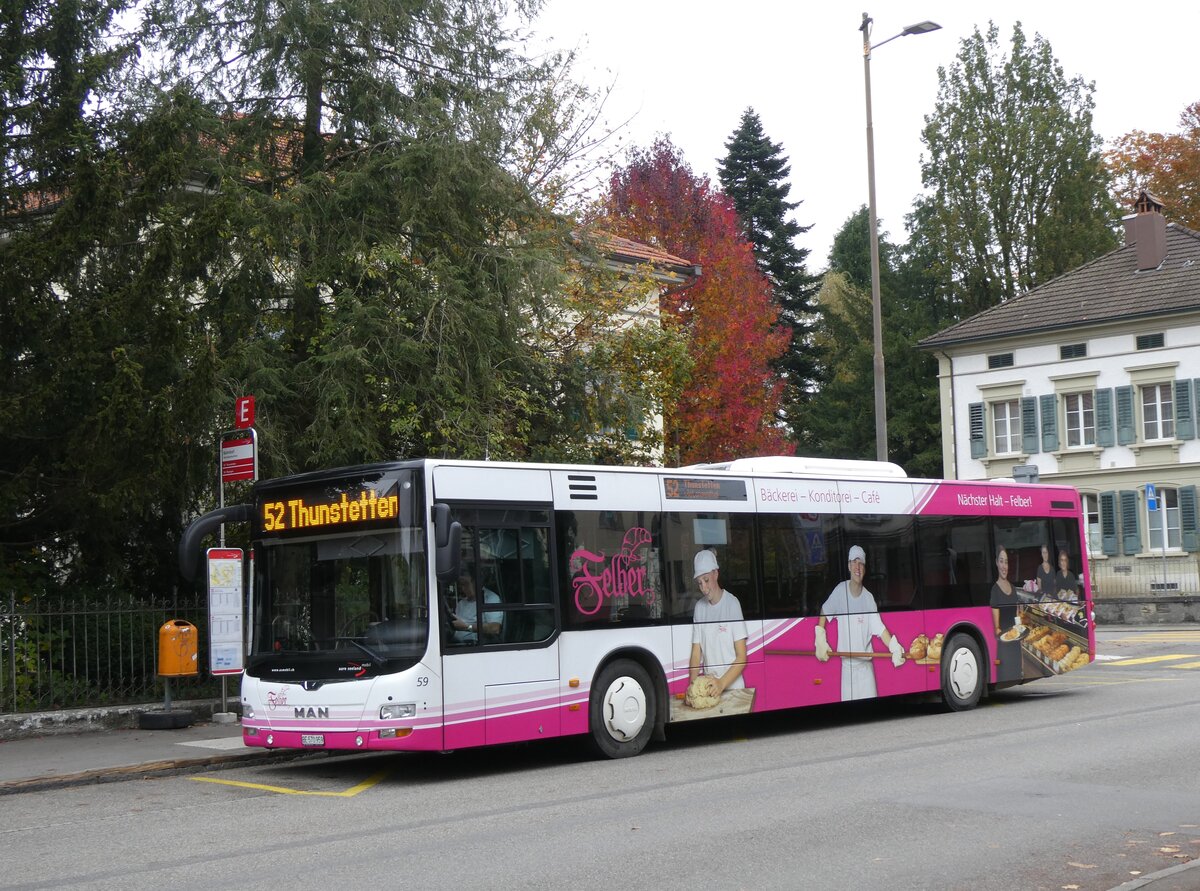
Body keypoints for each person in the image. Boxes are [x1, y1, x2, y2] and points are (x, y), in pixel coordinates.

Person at [814, 545, 905, 701]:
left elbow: (880, 629)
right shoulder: (840, 591)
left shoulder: (868, 599)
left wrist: (894, 646)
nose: (857, 567)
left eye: (861, 563)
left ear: (864, 568)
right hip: (847, 671)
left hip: (865, 671)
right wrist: (820, 637)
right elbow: (824, 610)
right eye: (854, 562)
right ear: (849, 566)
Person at [688, 549, 748, 694]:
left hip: (733, 688)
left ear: (716, 573)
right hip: (710, 689)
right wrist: (693, 685)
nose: (703, 588)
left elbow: (742, 657)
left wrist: (721, 683)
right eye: (699, 583)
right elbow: (696, 654)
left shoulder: (732, 604)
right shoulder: (699, 608)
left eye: (706, 580)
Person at [991, 546, 1021, 683]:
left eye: (1006, 562)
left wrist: (1020, 626)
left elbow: (1016, 618)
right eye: (1001, 561)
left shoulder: (1013, 588)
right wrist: (1006, 635)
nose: (1004, 566)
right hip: (1004, 647)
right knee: (1006, 678)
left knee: (1016, 676)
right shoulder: (995, 590)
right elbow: (997, 628)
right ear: (997, 563)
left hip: (1015, 643)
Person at [450, 573, 502, 643]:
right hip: (457, 643)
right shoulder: (461, 603)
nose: (462, 589)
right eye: (461, 585)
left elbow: (495, 628)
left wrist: (467, 627)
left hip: (475, 645)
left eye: (465, 584)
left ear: (476, 582)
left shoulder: (490, 598)